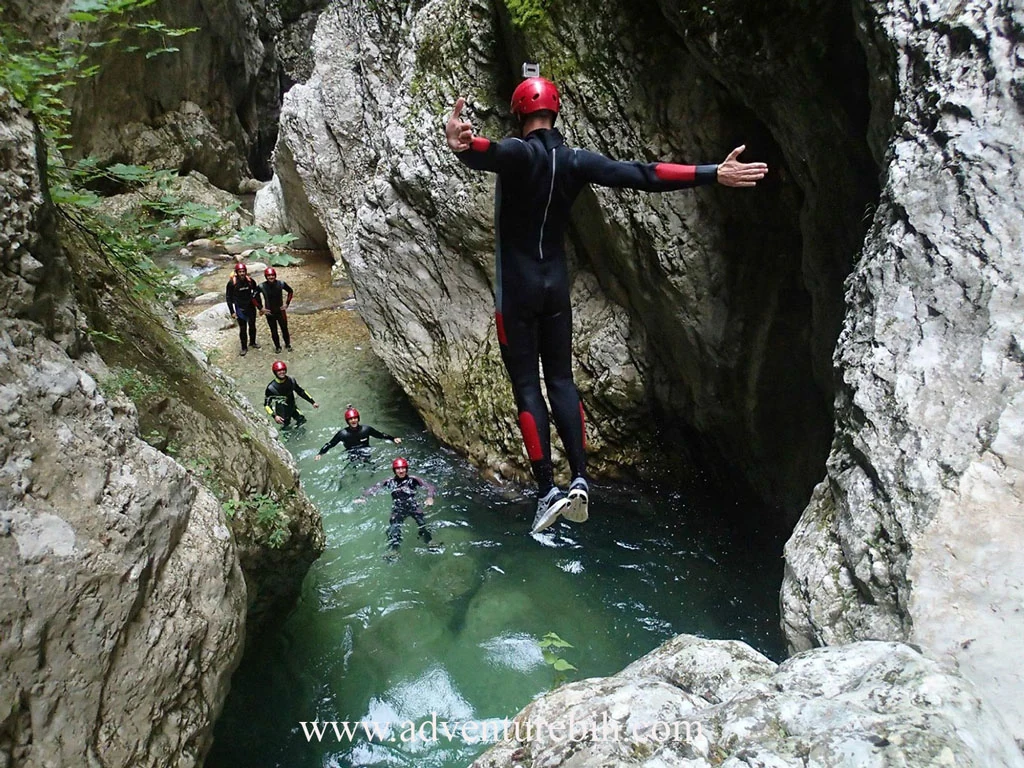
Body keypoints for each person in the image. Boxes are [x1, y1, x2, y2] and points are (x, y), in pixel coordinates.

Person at [445, 66, 768, 534]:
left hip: (515, 293)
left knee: (527, 388)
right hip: (555, 287)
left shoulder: (517, 153)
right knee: (560, 378)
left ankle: (546, 491)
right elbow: (644, 174)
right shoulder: (578, 161)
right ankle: (580, 478)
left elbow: (484, 151)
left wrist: (463, 143)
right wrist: (713, 172)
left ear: (519, 117)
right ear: (556, 113)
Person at [355, 457, 436, 553]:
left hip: (413, 505)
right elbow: (375, 488)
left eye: (403, 468)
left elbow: (430, 486)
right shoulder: (390, 481)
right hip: (398, 508)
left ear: (406, 469)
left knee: (422, 523)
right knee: (394, 528)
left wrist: (430, 497)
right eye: (398, 469)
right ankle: (394, 550)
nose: (401, 471)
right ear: (394, 470)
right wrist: (363, 497)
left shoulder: (413, 479)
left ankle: (429, 540)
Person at [314, 406, 402, 463]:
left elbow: (380, 435)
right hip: (351, 452)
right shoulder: (343, 434)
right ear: (347, 421)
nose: (353, 421)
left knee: (369, 465)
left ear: (358, 419)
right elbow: (330, 444)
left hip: (366, 450)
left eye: (355, 418)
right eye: (351, 419)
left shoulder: (366, 429)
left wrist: (393, 438)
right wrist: (320, 453)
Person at [264, 360, 319, 427]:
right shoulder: (271, 388)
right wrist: (275, 416)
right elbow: (266, 405)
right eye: (279, 371)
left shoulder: (291, 381)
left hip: (293, 408)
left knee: (302, 421)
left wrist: (312, 402)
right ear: (275, 372)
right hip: (282, 414)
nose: (282, 372)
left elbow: (300, 391)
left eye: (283, 370)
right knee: (286, 428)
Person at [225, 262, 264, 356]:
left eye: (243, 271)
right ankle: (244, 347)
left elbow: (256, 294)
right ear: (236, 272)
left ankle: (253, 342)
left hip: (251, 307)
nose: (242, 273)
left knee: (252, 326)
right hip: (240, 308)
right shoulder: (232, 284)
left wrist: (260, 307)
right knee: (243, 329)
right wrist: (232, 311)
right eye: (240, 272)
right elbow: (228, 298)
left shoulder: (250, 281)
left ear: (246, 272)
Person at [259, 267, 295, 353]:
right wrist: (261, 308)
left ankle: (287, 344)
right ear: (266, 277)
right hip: (269, 312)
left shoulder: (281, 284)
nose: (271, 277)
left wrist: (287, 304)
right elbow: (253, 297)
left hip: (280, 311)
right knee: (273, 330)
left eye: (272, 275)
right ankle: (278, 347)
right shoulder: (262, 286)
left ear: (275, 276)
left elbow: (290, 291)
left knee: (284, 328)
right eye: (269, 276)